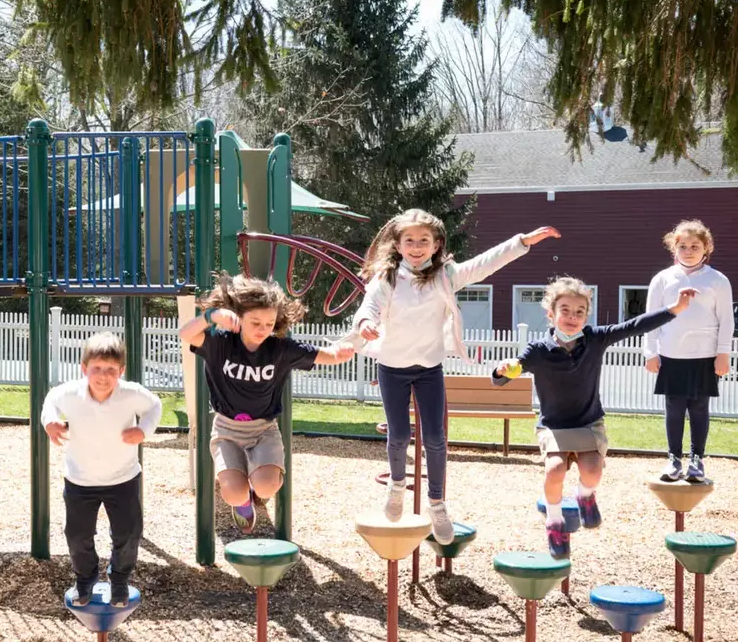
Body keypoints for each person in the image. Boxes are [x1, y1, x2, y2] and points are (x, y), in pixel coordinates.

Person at [351, 208, 560, 543]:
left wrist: (522, 242)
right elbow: (369, 306)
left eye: (424, 241)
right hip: (392, 367)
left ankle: (437, 501)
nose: (417, 246)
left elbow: (484, 264)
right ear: (399, 244)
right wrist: (365, 324)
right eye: (410, 240)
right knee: (400, 434)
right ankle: (397, 485)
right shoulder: (387, 278)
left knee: (435, 438)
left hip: (429, 368)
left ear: (436, 245)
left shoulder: (445, 276)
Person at [494, 276, 697, 557]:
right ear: (550, 314)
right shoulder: (539, 351)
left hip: (588, 421)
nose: (572, 317)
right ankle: (554, 521)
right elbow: (507, 374)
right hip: (553, 426)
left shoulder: (595, 339)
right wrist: (503, 369)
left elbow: (634, 326)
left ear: (586, 316)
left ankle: (585, 496)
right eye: (564, 310)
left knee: (593, 470)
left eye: (579, 312)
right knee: (554, 469)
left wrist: (674, 309)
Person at [179, 273, 356, 533]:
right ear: (239, 317)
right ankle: (243, 501)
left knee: (267, 486)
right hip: (227, 431)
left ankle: (256, 484)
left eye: (269, 323)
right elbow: (186, 333)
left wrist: (341, 353)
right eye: (256, 322)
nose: (263, 329)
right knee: (233, 493)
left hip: (263, 430)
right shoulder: (220, 344)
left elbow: (322, 355)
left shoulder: (279, 349)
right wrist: (212, 316)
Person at [40, 332, 162, 608]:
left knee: (129, 533)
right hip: (80, 480)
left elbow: (155, 405)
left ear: (121, 371)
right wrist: (50, 421)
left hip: (123, 478)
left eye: (110, 370)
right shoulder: (70, 393)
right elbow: (51, 400)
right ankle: (85, 579)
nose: (103, 376)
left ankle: (119, 580)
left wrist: (143, 430)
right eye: (96, 369)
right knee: (77, 534)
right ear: (84, 369)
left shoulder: (130, 394)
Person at [643, 220, 733, 482]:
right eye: (682, 246)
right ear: (674, 248)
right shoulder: (662, 279)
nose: (689, 250)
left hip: (704, 355)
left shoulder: (718, 280)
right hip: (671, 354)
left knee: (699, 407)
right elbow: (651, 318)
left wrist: (723, 352)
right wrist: (651, 351)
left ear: (707, 248)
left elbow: (726, 319)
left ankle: (697, 460)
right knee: (673, 407)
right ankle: (673, 459)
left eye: (695, 246)